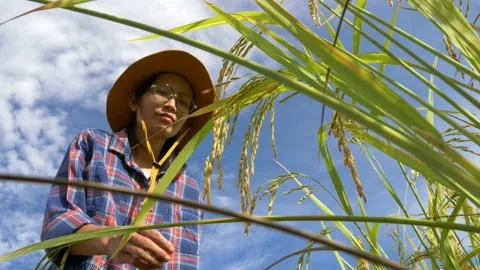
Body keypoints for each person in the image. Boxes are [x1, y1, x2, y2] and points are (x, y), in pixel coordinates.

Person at [40, 50, 214, 270]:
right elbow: (59, 225)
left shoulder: (189, 188)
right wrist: (112, 240)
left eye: (184, 102)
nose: (172, 104)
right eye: (162, 91)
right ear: (134, 100)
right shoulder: (93, 145)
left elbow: (185, 261)